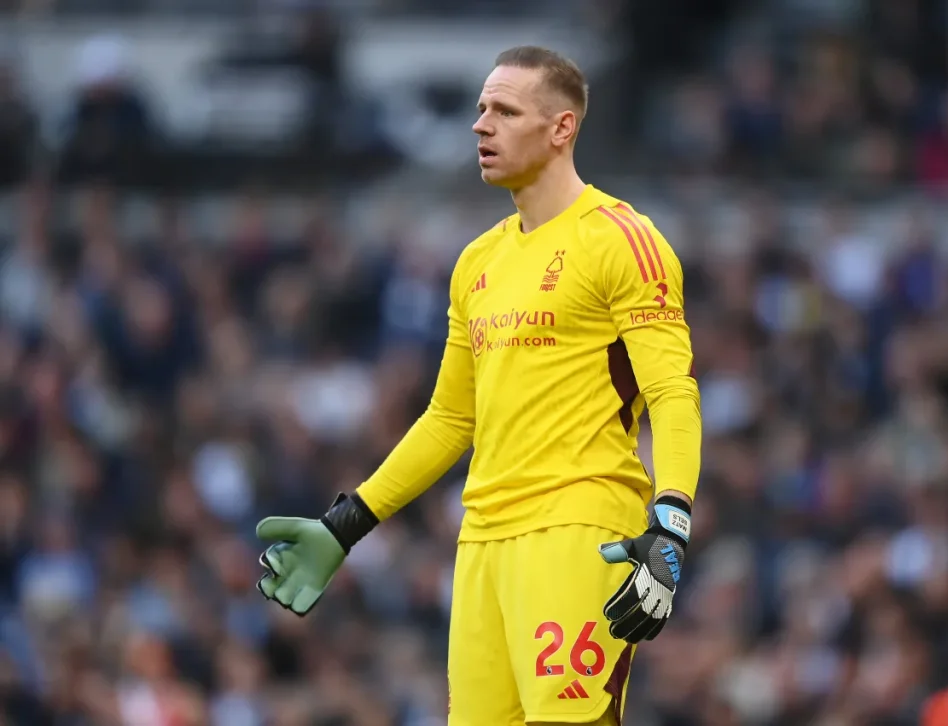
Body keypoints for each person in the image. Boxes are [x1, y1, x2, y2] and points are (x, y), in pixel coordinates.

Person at [254, 46, 702, 726]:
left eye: (504, 111)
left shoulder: (622, 239)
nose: (480, 126)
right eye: (479, 109)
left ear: (561, 128)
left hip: (577, 530)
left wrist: (670, 525)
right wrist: (347, 523)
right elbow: (448, 419)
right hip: (483, 540)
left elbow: (673, 393)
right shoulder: (478, 262)